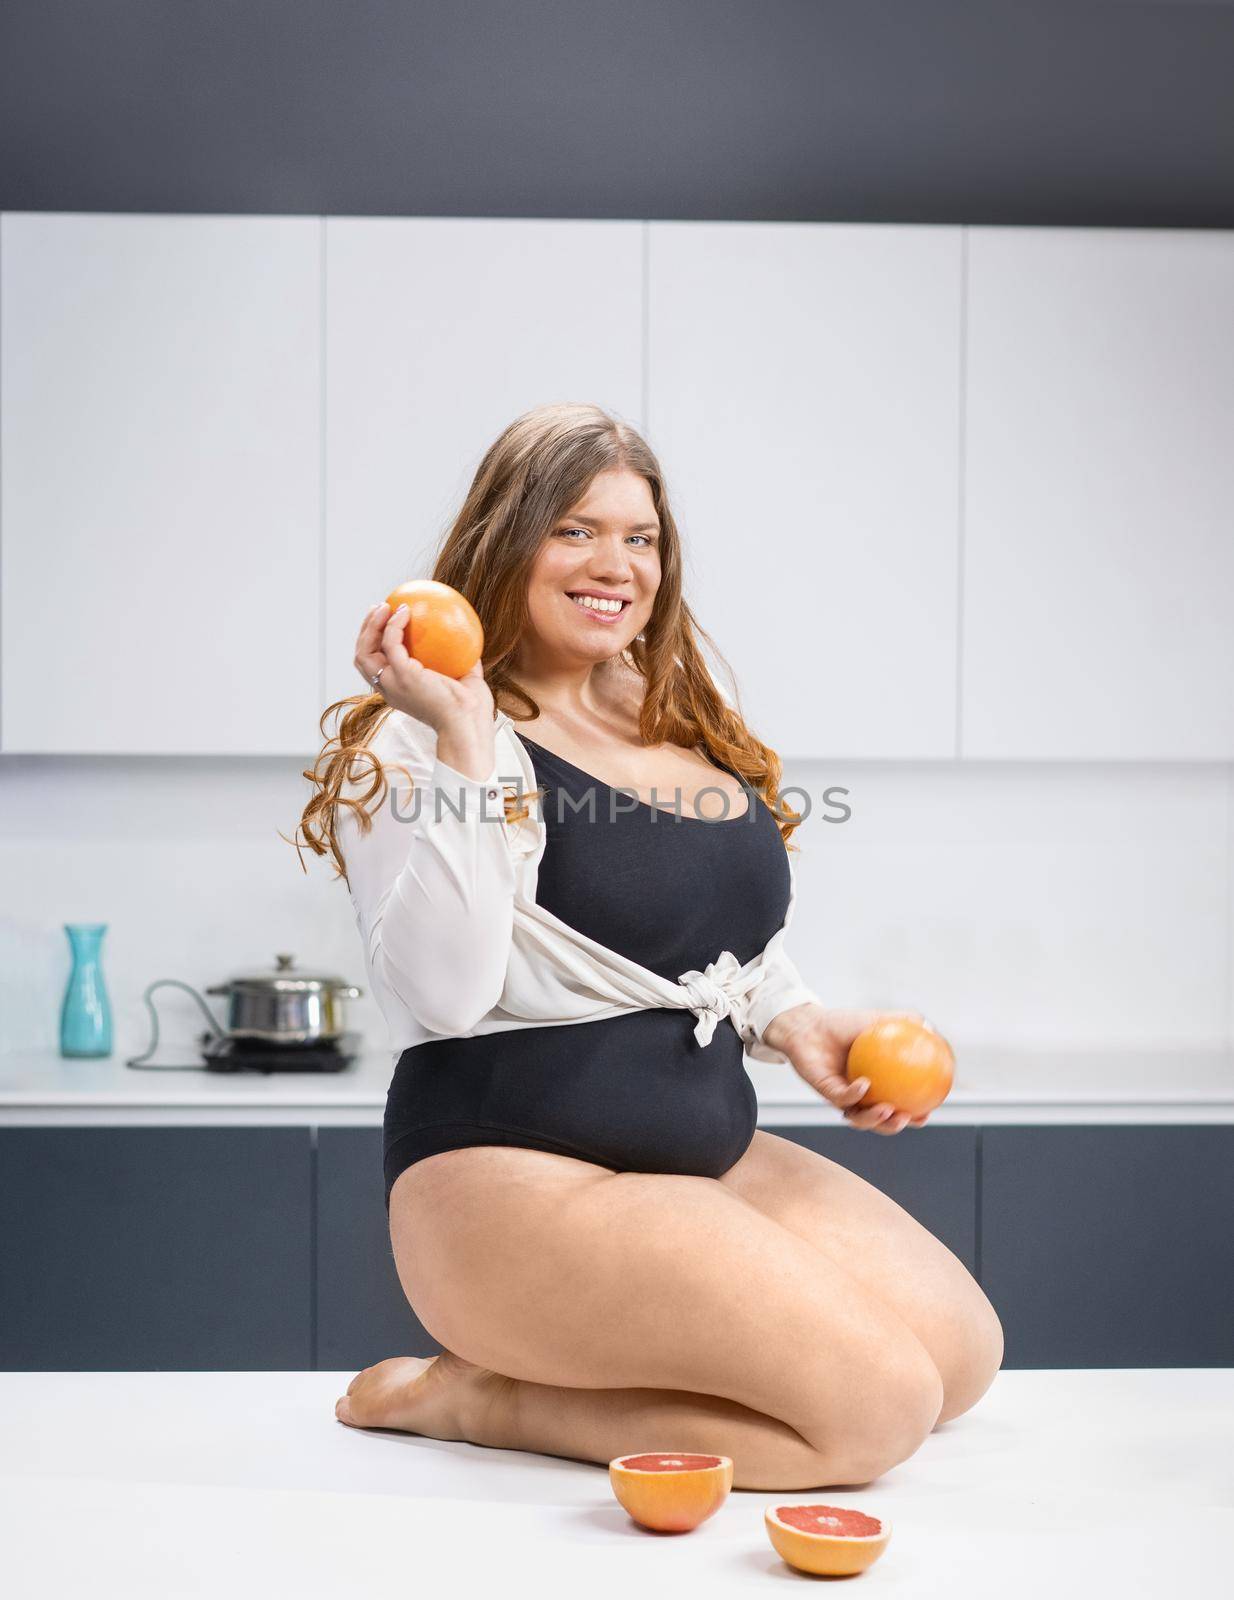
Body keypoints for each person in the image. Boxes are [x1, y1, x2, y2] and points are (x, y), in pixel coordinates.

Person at [294, 402, 1003, 1491]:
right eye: (574, 530)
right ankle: (483, 1395)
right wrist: (466, 736)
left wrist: (798, 1021)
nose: (614, 564)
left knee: (957, 1359)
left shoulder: (660, 709)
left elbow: (705, 936)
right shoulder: (423, 735)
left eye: (641, 537)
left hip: (695, 1157)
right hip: (515, 1183)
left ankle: (550, 1388)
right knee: (873, 1413)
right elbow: (442, 991)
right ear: (505, 541)